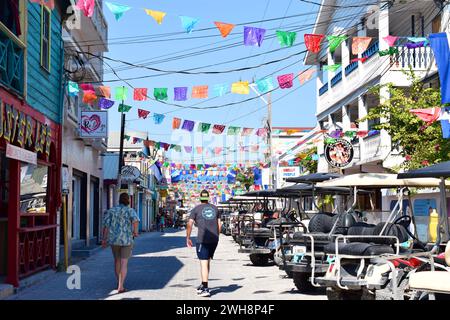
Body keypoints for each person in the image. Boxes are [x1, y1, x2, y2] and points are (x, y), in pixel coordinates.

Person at [102, 193, 139, 294]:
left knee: (117, 261)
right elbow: (135, 221)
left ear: (119, 200)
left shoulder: (112, 210)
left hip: (114, 240)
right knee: (124, 263)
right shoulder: (130, 210)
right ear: (127, 200)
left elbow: (106, 226)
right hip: (127, 240)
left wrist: (104, 239)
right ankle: (121, 286)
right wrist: (135, 232)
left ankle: (119, 282)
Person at [186, 190, 221, 297]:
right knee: (207, 261)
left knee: (203, 263)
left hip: (202, 240)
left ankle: (206, 288)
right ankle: (203, 283)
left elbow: (189, 224)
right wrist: (217, 236)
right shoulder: (215, 209)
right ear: (208, 198)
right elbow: (219, 225)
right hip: (214, 240)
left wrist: (188, 237)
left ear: (200, 198)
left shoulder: (196, 209)